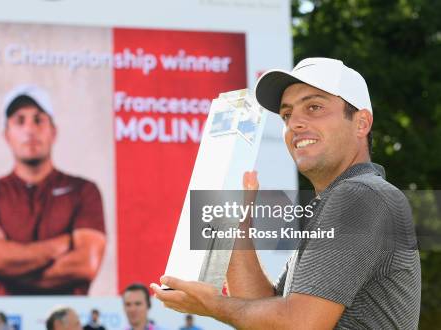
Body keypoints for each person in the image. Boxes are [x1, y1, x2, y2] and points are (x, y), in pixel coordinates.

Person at [151, 57, 421, 328]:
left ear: (361, 123)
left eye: (314, 107)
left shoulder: (361, 195)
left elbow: (299, 323)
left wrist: (214, 305)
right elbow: (265, 311)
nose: (295, 123)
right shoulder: (339, 201)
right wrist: (236, 219)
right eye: (287, 115)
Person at [0, 84, 107, 295]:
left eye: (38, 119)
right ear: (7, 135)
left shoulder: (84, 190)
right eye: (20, 121)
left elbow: (86, 264)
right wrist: (60, 245)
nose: (30, 129)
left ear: (53, 131)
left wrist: (9, 258)